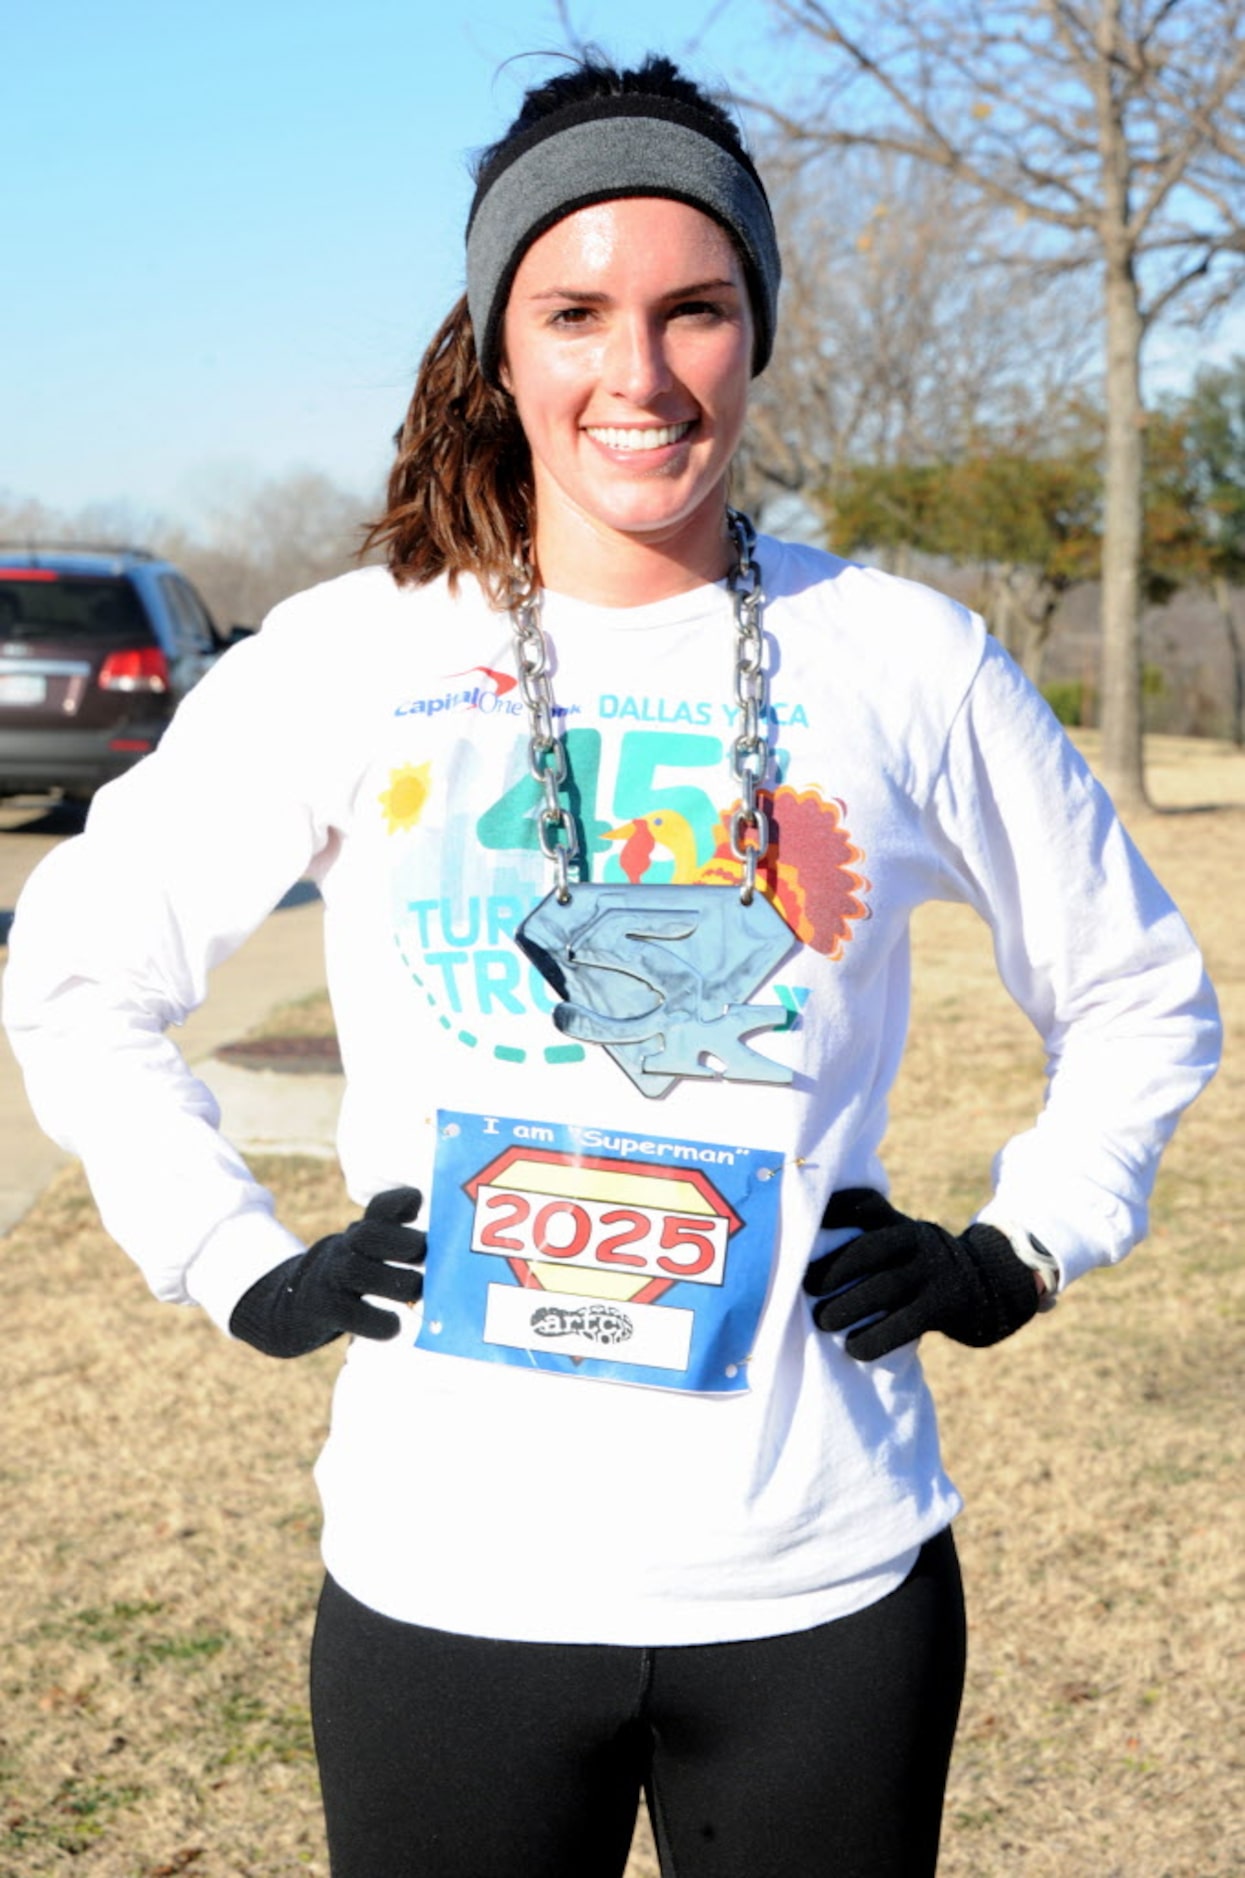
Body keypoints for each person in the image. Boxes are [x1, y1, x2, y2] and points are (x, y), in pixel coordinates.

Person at [3, 53, 1220, 1878]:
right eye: (574, 313)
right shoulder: (348, 658)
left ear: (758, 328)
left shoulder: (899, 658)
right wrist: (234, 1255)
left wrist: (1017, 1242)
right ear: (499, 341)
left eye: (694, 310)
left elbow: (1139, 992)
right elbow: (81, 971)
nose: (636, 376)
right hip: (449, 1584)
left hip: (820, 1576)